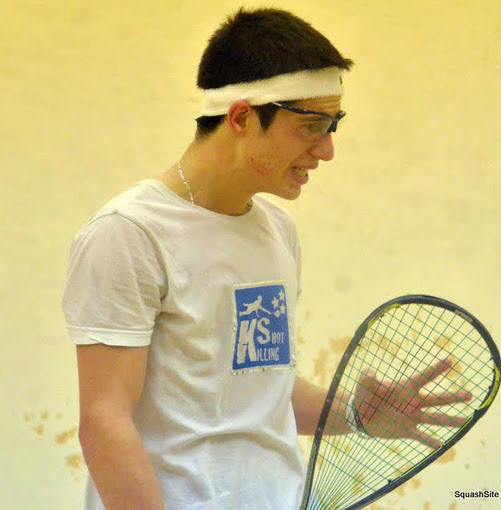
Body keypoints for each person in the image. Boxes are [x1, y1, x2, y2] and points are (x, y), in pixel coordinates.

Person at [62, 8, 470, 510]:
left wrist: (354, 414)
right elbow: (104, 421)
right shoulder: (128, 233)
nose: (327, 150)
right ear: (241, 118)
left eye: (333, 126)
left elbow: (258, 391)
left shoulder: (278, 231)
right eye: (311, 127)